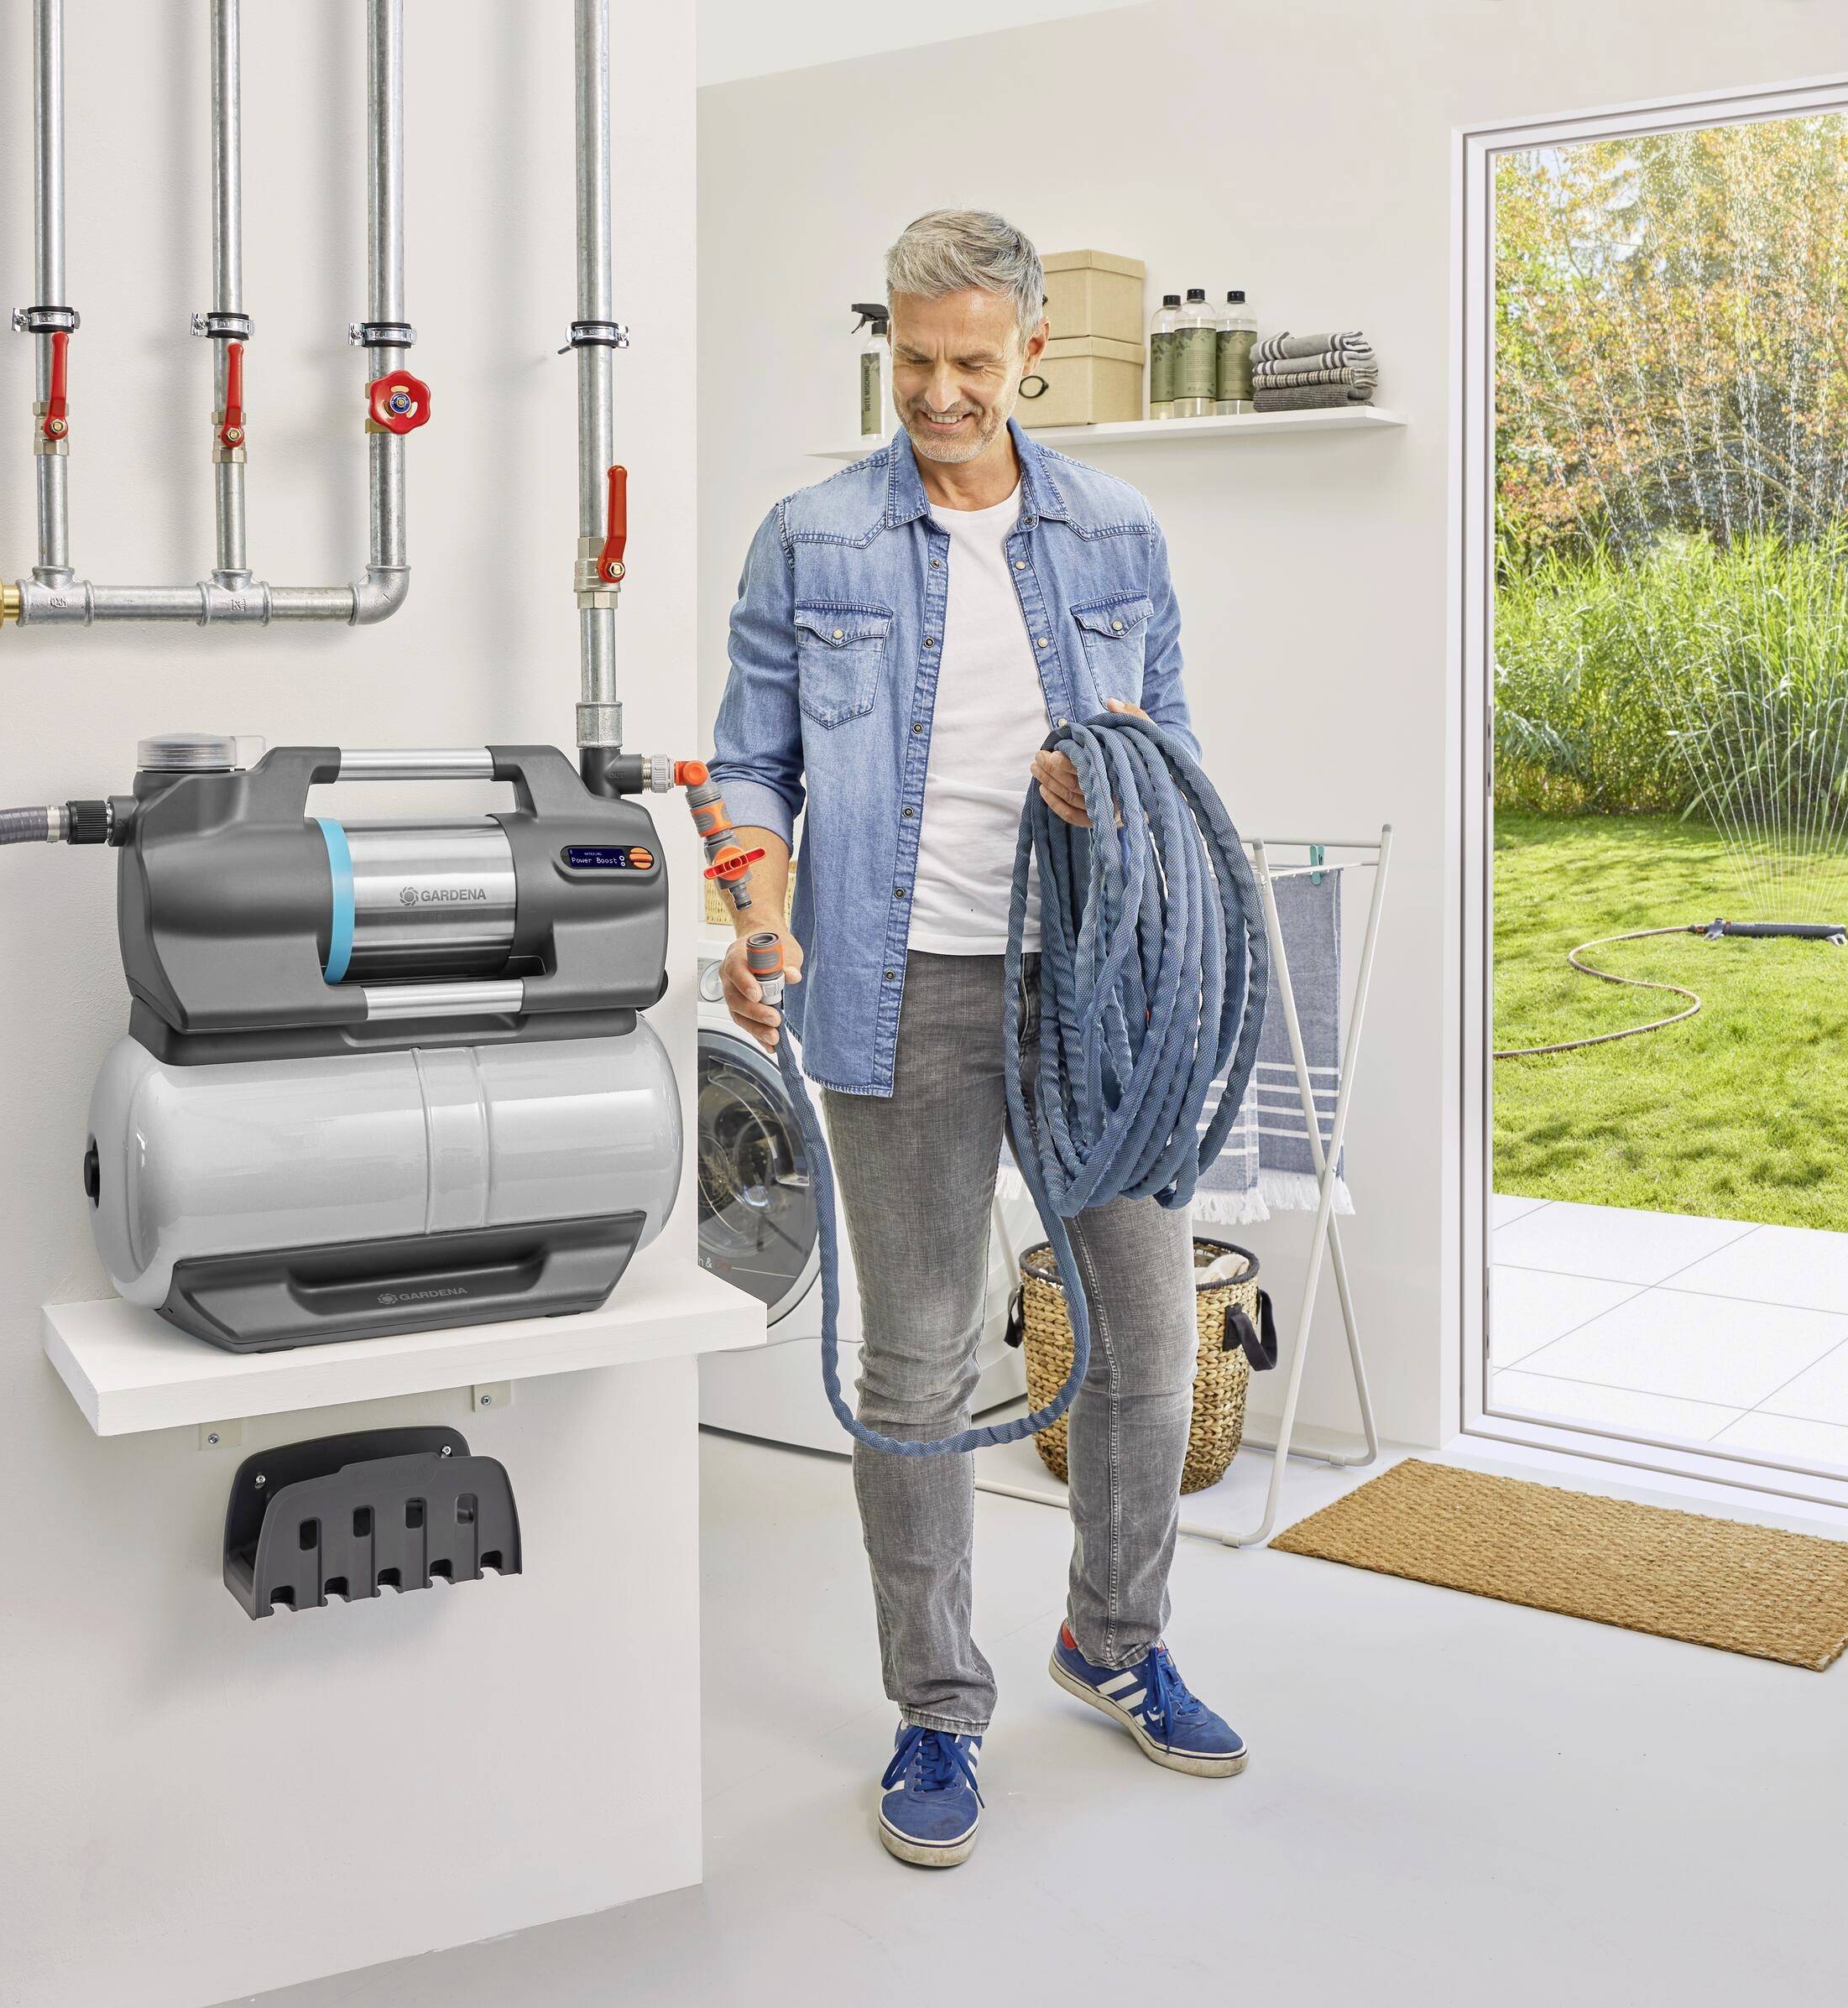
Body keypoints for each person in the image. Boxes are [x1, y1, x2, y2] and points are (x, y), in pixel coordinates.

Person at [707, 210, 1246, 1868]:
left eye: (972, 363)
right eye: (914, 360)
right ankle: (937, 1705)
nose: (939, 393)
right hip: (900, 993)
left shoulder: (1118, 533)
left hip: (1094, 987)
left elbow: (1173, 742)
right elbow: (751, 764)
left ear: (1030, 353)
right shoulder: (813, 539)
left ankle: (1116, 1639)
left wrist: (1116, 794)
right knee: (919, 1362)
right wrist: (758, 914)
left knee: (1148, 1343)